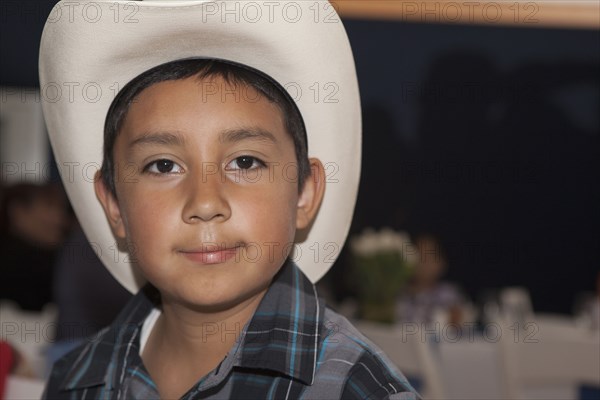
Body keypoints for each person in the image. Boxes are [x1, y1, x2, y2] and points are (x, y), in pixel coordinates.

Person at [39, 1, 419, 399]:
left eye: (245, 161)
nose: (205, 203)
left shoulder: (355, 388)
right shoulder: (77, 380)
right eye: (164, 166)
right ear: (114, 204)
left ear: (304, 192)